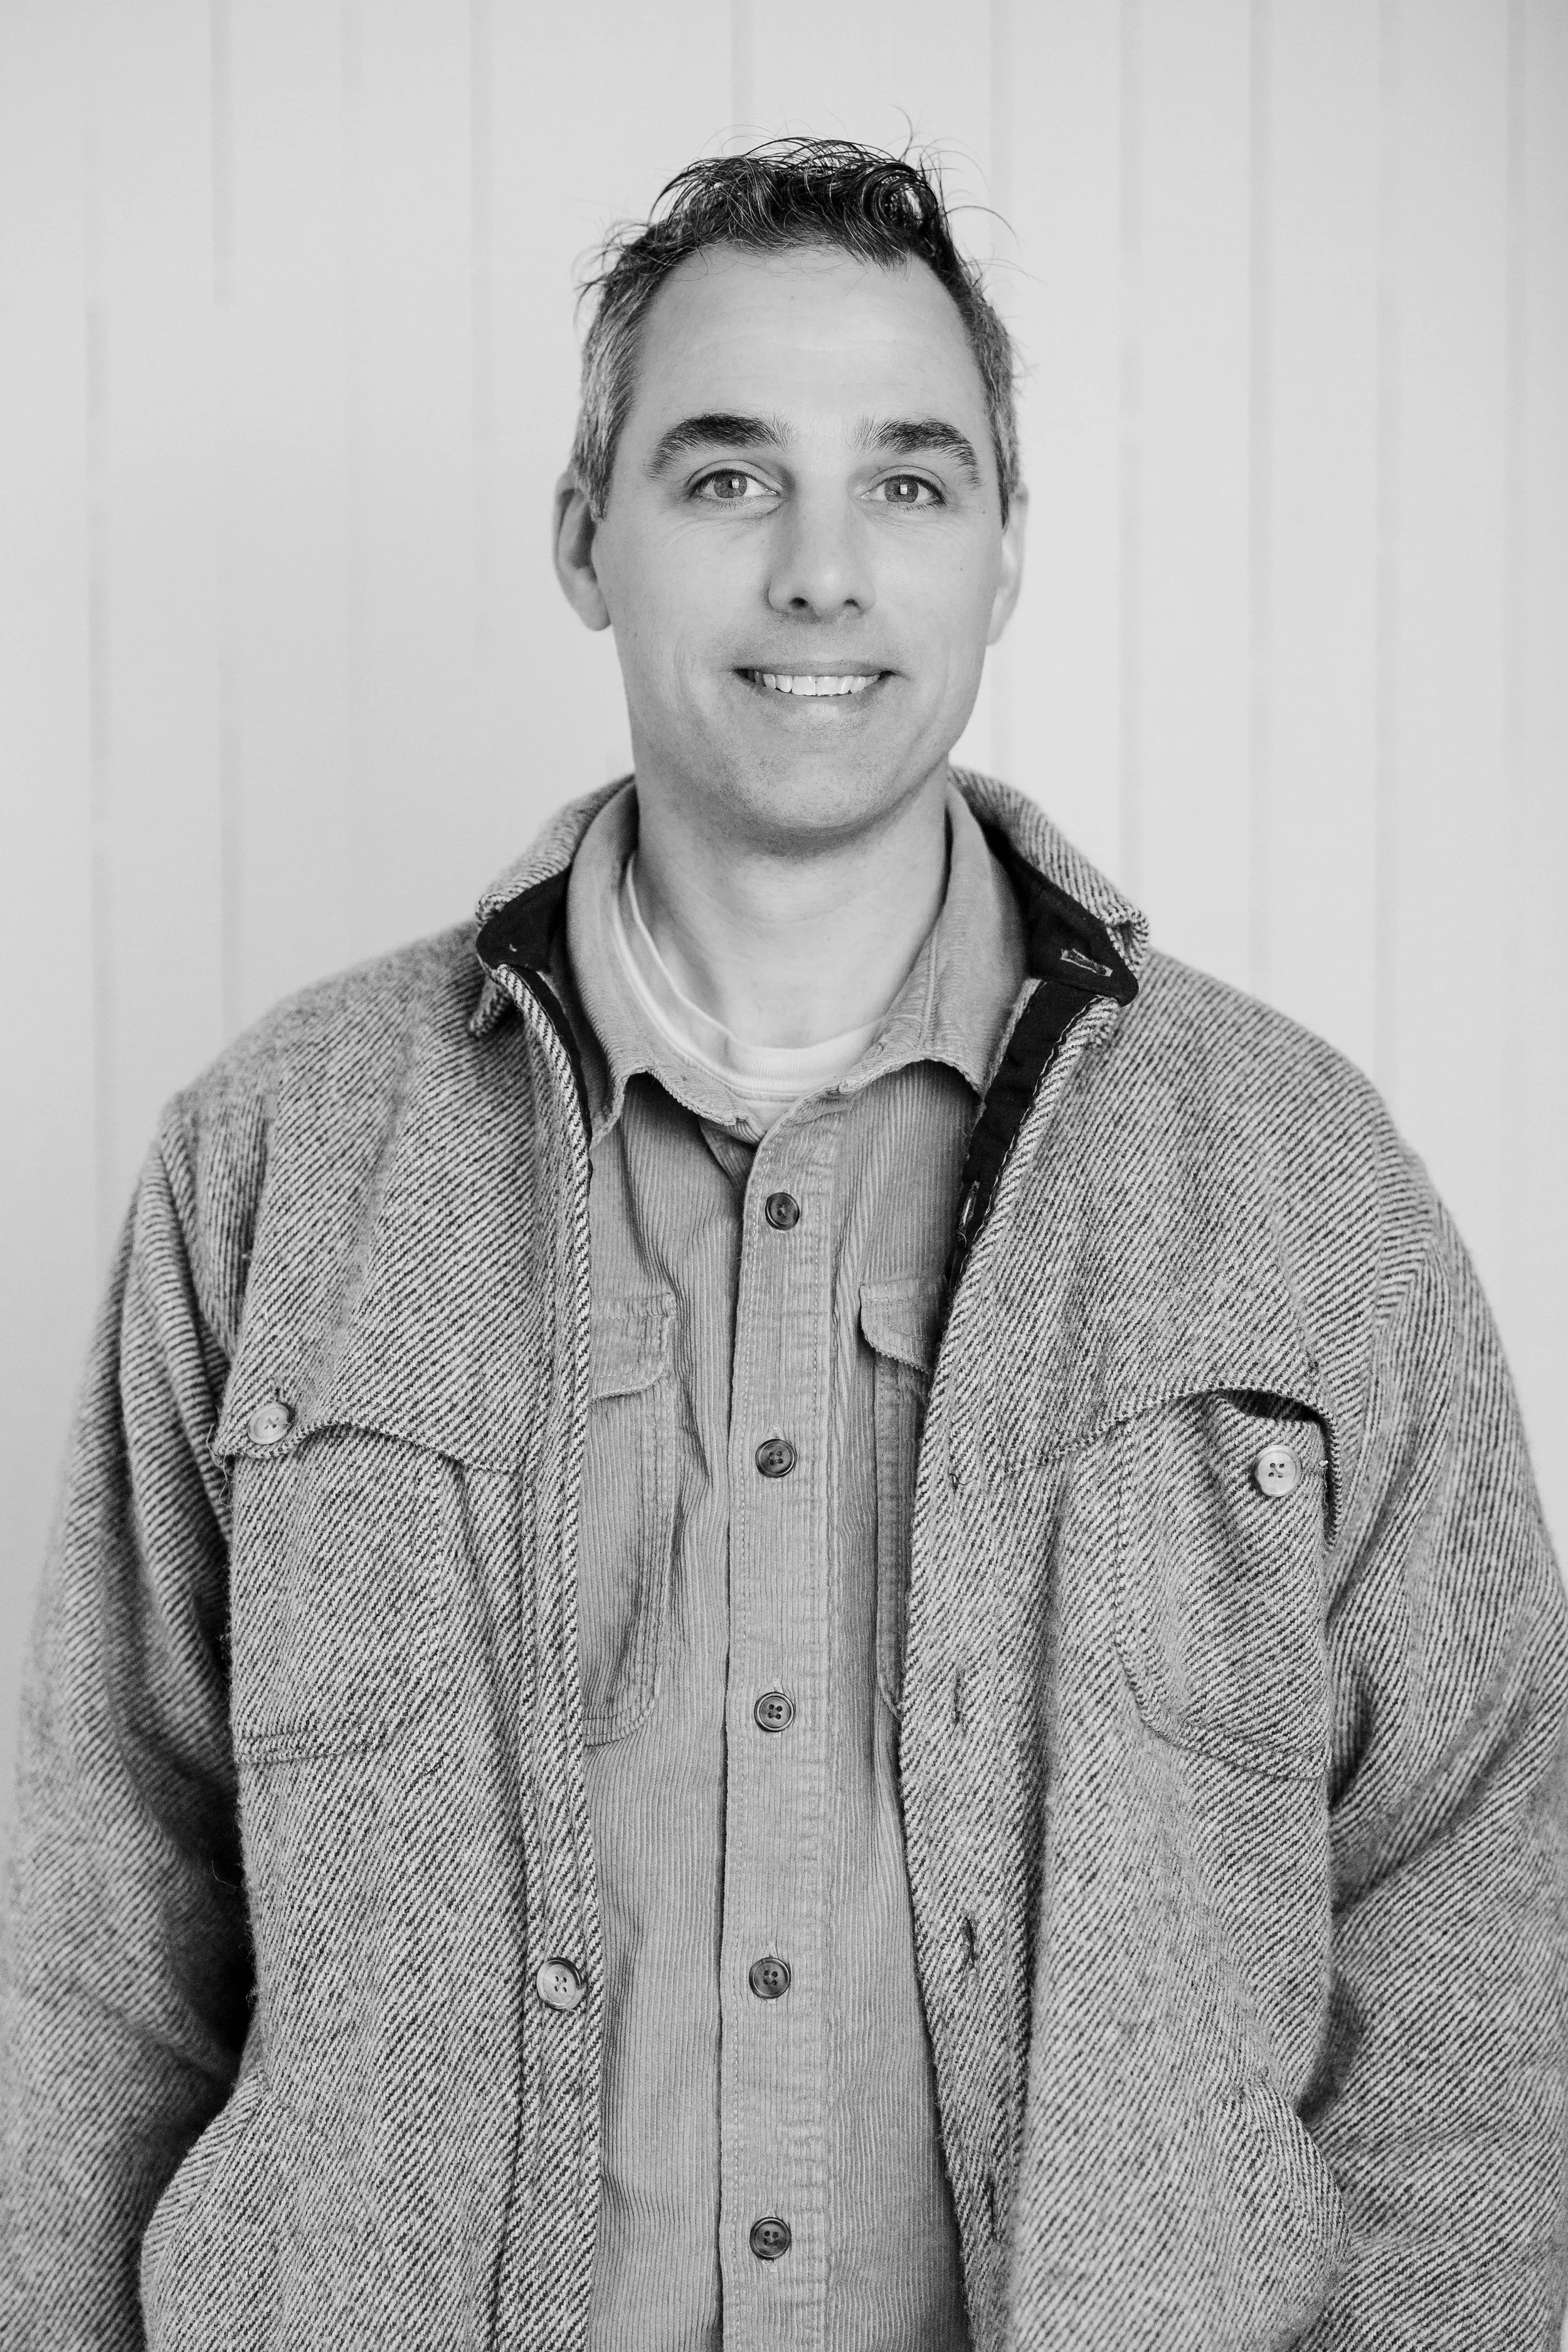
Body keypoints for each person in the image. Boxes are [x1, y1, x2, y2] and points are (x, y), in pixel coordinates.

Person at [2, 137, 1564, 2352]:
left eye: (909, 484)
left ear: (1003, 554)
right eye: (730, 477)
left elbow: (1485, 1931)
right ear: (585, 536)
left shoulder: (1288, 1180)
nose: (823, 572)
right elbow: (93, 1953)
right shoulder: (275, 1164)